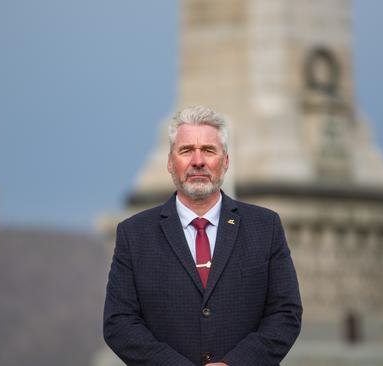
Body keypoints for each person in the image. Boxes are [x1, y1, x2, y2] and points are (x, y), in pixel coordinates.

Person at [103, 106, 302, 366]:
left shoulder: (265, 227)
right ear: (170, 162)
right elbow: (119, 323)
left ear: (226, 161)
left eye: (209, 150)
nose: (198, 161)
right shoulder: (134, 234)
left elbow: (285, 314)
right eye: (186, 151)